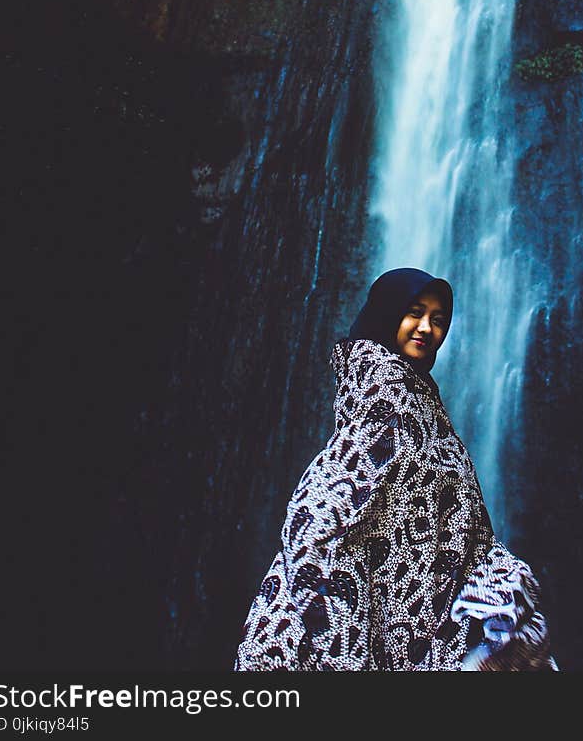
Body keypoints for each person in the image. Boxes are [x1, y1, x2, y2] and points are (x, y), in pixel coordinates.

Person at [234, 267, 557, 671]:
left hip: (400, 612)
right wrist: (330, 621)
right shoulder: (387, 394)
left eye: (439, 320)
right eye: (414, 312)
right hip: (345, 621)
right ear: (388, 314)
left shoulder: (413, 396)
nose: (427, 328)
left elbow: (450, 516)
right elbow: (320, 510)